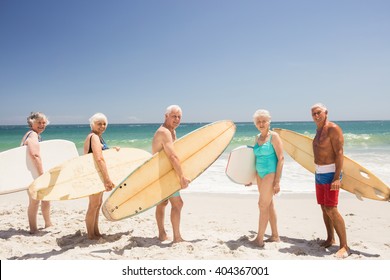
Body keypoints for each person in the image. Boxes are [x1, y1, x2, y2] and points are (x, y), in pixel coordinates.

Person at [311, 103, 350, 258]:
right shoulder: (318, 130)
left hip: (330, 173)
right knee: (323, 208)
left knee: (331, 209)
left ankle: (345, 246)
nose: (316, 115)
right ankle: (330, 238)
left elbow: (339, 152)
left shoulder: (333, 128)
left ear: (326, 112)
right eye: (313, 113)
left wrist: (336, 177)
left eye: (318, 112)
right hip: (319, 173)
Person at [152, 105, 190, 243]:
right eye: (174, 116)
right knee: (178, 204)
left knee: (162, 203)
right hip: (165, 175)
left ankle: (162, 235)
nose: (177, 119)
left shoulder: (171, 131)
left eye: (179, 117)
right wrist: (181, 176)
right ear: (166, 116)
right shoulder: (165, 132)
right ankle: (177, 238)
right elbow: (173, 157)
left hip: (163, 173)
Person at [249, 109, 284, 248]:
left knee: (262, 205)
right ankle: (275, 236)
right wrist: (250, 178)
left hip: (270, 173)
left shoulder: (274, 136)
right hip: (259, 174)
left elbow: (281, 158)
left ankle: (259, 238)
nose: (261, 123)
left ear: (269, 122)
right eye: (258, 122)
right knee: (269, 204)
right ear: (255, 124)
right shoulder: (257, 137)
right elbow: (253, 159)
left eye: (264, 121)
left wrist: (277, 181)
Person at [83, 113, 117, 240]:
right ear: (92, 124)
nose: (102, 126)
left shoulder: (98, 137)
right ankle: (90, 234)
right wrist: (107, 179)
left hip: (97, 175)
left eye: (104, 124)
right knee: (93, 205)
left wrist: (113, 150)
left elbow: (103, 154)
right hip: (94, 176)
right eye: (99, 124)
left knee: (97, 203)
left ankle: (96, 231)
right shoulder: (94, 137)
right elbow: (99, 158)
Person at [21, 112, 52, 234]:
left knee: (46, 198)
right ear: (32, 122)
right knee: (34, 201)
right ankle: (33, 229)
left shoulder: (35, 135)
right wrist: (42, 175)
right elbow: (35, 155)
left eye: (44, 122)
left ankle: (48, 223)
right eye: (39, 122)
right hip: (32, 174)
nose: (42, 125)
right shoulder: (33, 135)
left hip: (33, 172)